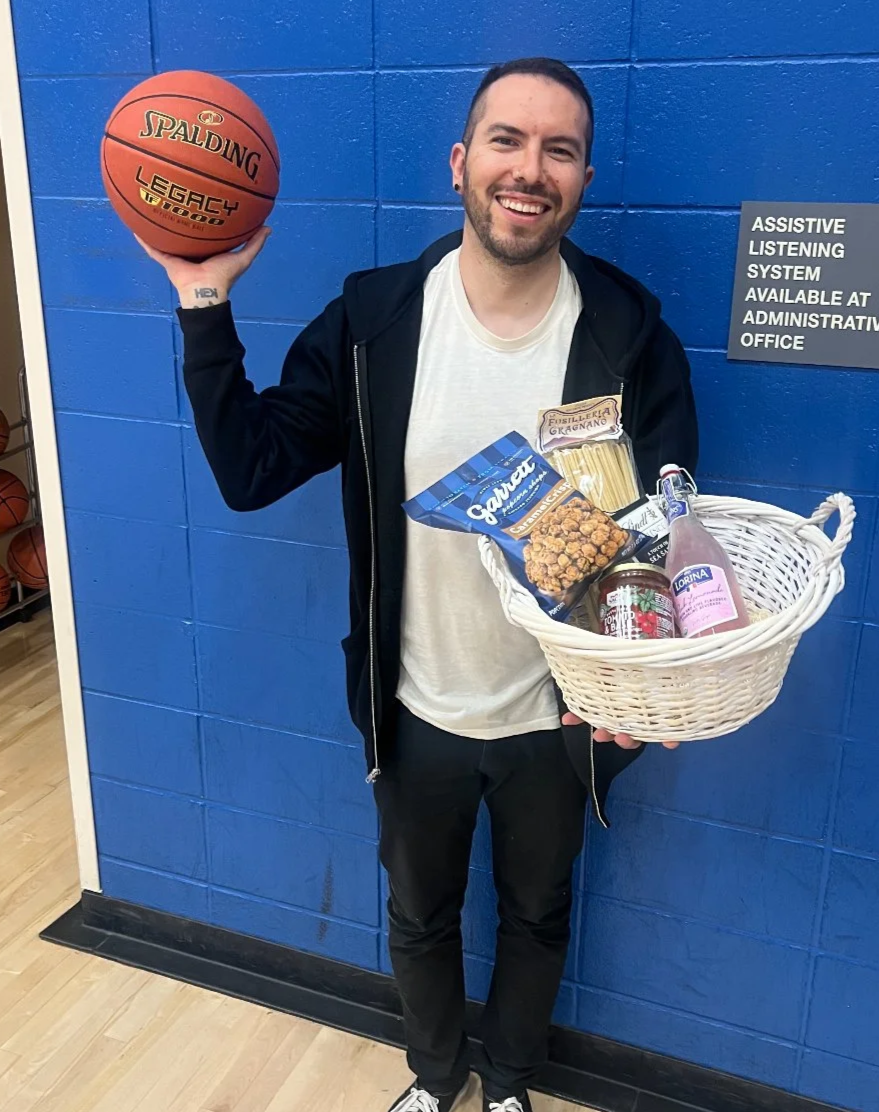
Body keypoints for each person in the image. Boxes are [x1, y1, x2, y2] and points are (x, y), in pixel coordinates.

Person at [138, 57, 697, 1112]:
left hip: (556, 718)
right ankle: (438, 1084)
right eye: (505, 140)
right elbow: (252, 470)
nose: (527, 169)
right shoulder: (374, 322)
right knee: (418, 917)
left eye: (558, 150)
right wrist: (203, 301)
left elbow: (660, 538)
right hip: (415, 708)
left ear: (581, 179)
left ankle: (509, 1088)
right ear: (459, 161)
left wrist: (648, 684)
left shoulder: (629, 337)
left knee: (537, 913)